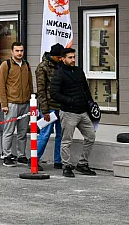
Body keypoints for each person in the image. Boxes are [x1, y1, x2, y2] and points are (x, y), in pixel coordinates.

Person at [51, 48, 97, 178]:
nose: (73, 60)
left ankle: (82, 164)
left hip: (83, 112)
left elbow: (85, 89)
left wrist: (91, 104)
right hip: (68, 112)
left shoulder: (78, 71)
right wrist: (70, 101)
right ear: (63, 59)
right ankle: (66, 166)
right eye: (70, 57)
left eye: (74, 57)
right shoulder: (59, 74)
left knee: (91, 136)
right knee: (66, 141)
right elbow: (54, 93)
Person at [0, 42, 34, 167]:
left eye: (21, 50)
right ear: (12, 52)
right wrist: (4, 103)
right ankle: (7, 155)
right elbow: (0, 85)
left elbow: (30, 83)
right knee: (8, 131)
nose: (19, 53)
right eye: (17, 51)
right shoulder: (6, 65)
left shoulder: (26, 65)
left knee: (22, 132)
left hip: (25, 103)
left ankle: (21, 155)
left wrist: (31, 100)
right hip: (11, 103)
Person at [36, 43, 64, 170]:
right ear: (53, 56)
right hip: (49, 106)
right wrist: (45, 110)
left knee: (61, 135)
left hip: (62, 105)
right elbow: (41, 90)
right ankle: (34, 158)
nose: (61, 59)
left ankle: (58, 160)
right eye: (59, 57)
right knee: (45, 134)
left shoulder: (62, 65)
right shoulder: (42, 67)